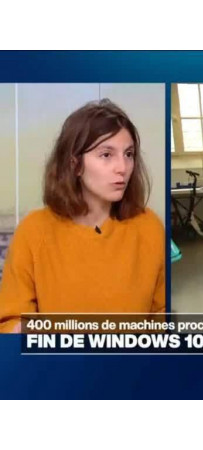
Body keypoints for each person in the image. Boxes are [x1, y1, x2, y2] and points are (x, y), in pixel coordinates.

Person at [0, 99, 165, 333]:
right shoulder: (34, 230)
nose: (122, 167)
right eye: (106, 155)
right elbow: (11, 319)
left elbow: (163, 316)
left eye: (129, 154)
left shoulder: (149, 227)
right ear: (75, 164)